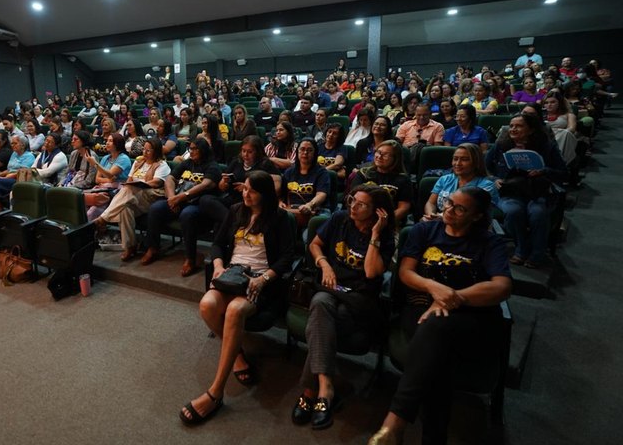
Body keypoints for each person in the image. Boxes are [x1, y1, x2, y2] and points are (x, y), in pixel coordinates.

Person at [368, 188, 512, 445]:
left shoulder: (490, 243)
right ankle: (431, 438)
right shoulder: (424, 231)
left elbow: (501, 286)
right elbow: (406, 273)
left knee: (435, 332)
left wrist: (453, 297)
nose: (448, 209)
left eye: (459, 208)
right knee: (437, 357)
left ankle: (395, 421)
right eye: (448, 203)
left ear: (477, 216)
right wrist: (433, 287)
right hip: (419, 310)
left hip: (471, 319)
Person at [180, 171, 295, 426]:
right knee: (207, 304)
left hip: (260, 281)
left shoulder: (279, 218)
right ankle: (238, 355)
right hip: (232, 274)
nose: (246, 194)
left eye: (252, 191)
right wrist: (219, 266)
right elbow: (218, 244)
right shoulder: (235, 210)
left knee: (234, 311)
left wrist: (264, 279)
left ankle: (215, 392)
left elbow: (287, 256)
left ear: (264, 194)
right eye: (244, 189)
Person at [293, 185, 395, 430]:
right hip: (330, 289)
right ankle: (325, 390)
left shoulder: (386, 237)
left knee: (321, 317)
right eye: (352, 200)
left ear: (377, 212)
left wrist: (375, 235)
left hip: (359, 300)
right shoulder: (340, 219)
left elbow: (371, 272)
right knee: (320, 304)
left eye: (361, 204)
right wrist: (325, 264)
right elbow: (314, 245)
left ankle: (309, 391)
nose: (353, 206)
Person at [485, 113, 567, 268]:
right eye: (512, 125)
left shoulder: (547, 147)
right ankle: (522, 249)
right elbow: (486, 168)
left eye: (519, 126)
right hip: (510, 191)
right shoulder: (501, 145)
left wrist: (544, 171)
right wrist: (495, 179)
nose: (513, 129)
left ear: (531, 130)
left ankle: (537, 254)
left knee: (538, 213)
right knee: (514, 211)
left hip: (539, 191)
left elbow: (563, 173)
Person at [141, 138, 221, 276]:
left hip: (197, 204)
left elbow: (206, 184)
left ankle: (190, 259)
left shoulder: (212, 166)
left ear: (203, 150)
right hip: (177, 200)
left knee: (187, 215)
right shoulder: (187, 163)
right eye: (191, 149)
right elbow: (170, 179)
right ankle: (153, 247)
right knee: (155, 209)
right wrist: (172, 197)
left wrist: (181, 197)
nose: (192, 151)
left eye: (196, 149)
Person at [95, 138, 171, 261]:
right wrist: (133, 184)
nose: (145, 152)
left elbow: (156, 182)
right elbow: (129, 180)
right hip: (133, 197)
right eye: (144, 150)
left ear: (156, 151)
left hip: (151, 197)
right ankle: (130, 247)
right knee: (125, 209)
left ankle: (103, 219)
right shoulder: (138, 163)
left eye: (148, 150)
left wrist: (139, 183)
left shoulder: (162, 165)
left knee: (128, 190)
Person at [199, 135, 280, 233]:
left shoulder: (265, 164)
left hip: (250, 202)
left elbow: (275, 188)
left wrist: (248, 188)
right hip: (232, 199)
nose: (245, 154)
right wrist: (224, 182)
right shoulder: (236, 161)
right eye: (243, 151)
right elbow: (221, 187)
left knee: (219, 226)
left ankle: (230, 224)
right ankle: (234, 223)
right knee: (205, 200)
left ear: (258, 152)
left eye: (250, 152)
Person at [422, 144, 498, 220]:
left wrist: (442, 217)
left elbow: (471, 214)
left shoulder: (487, 186)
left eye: (464, 159)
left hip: (469, 226)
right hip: (440, 222)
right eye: (455, 159)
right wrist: (431, 215)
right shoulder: (445, 179)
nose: (457, 163)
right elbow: (431, 203)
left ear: (476, 162)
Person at [349, 140, 413, 226]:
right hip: (361, 220)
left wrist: (384, 221)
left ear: (395, 159)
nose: (379, 156)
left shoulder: (403, 179)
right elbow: (352, 199)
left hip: (389, 222)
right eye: (378, 152)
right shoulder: (363, 174)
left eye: (385, 155)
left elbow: (403, 208)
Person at [280, 138, 331, 228]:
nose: (305, 153)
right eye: (302, 149)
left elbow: (321, 195)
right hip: (293, 210)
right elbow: (281, 194)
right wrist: (280, 202)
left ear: (315, 153)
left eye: (309, 150)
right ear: (297, 151)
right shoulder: (289, 172)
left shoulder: (322, 173)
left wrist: (309, 205)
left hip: (316, 210)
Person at [82, 132, 133, 220]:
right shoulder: (105, 158)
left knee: (93, 210)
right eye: (107, 140)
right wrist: (109, 180)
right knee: (82, 206)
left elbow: (109, 174)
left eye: (110, 141)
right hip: (102, 188)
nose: (107, 143)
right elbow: (97, 179)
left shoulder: (124, 158)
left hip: (116, 192)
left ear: (117, 144)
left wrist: (95, 164)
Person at [543, 89, 579, 166]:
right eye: (546, 103)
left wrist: (556, 131)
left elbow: (571, 129)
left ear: (559, 103)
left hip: (563, 137)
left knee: (565, 133)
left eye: (553, 102)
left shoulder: (569, 115)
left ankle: (560, 162)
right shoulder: (540, 115)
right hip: (545, 137)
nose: (549, 105)